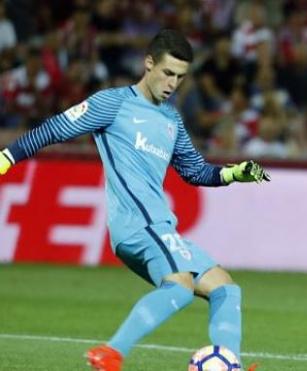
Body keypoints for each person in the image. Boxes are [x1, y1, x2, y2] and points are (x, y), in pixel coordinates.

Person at [0, 29, 269, 371]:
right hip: (137, 224)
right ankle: (112, 353)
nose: (172, 84)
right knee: (181, 287)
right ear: (148, 64)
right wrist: (6, 159)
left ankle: (228, 361)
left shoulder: (172, 119)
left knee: (226, 288)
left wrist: (233, 173)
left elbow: (195, 171)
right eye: (168, 73)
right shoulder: (113, 104)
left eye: (180, 77)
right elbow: (53, 129)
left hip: (161, 226)